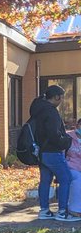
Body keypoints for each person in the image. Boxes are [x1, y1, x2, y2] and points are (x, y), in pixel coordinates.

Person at [29, 85, 76, 221]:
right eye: (62, 97)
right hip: (53, 152)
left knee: (45, 181)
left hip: (41, 152)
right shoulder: (51, 112)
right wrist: (67, 141)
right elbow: (55, 135)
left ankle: (44, 210)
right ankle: (62, 212)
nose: (62, 100)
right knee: (66, 179)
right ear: (56, 97)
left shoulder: (38, 110)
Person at [65, 126, 81, 219]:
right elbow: (62, 153)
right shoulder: (68, 137)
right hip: (70, 167)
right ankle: (74, 209)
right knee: (78, 179)